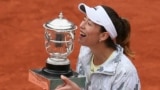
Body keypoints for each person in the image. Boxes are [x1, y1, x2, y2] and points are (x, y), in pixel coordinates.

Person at [55, 3, 141, 90]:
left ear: (103, 36)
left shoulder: (124, 73)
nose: (81, 25)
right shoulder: (85, 52)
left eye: (89, 23)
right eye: (84, 19)